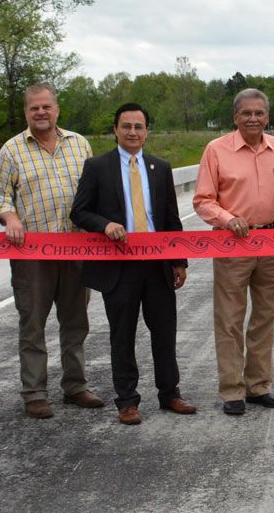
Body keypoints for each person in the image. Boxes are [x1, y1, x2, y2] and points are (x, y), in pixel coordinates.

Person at [70, 102, 196, 425]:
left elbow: (170, 218)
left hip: (157, 266)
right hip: (119, 266)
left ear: (147, 132)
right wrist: (104, 225)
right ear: (115, 130)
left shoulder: (161, 167)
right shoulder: (97, 167)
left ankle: (170, 394)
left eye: (138, 127)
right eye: (126, 126)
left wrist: (179, 260)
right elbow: (79, 211)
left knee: (164, 332)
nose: (132, 132)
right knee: (122, 335)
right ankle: (127, 401)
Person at [0, 82, 103, 420]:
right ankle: (35, 393)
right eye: (33, 108)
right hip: (32, 254)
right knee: (33, 325)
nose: (40, 112)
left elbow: (94, 191)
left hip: (76, 250)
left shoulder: (79, 144)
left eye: (46, 107)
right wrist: (9, 217)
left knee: (75, 323)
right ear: (26, 112)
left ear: (57, 109)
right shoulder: (10, 151)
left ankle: (75, 386)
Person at [193, 88, 274, 416]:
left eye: (259, 113)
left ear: (267, 117)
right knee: (230, 319)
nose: (253, 118)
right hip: (232, 244)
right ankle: (232, 390)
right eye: (246, 113)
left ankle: (258, 385)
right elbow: (203, 200)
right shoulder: (216, 150)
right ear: (235, 117)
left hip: (271, 243)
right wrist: (227, 218)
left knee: (265, 318)